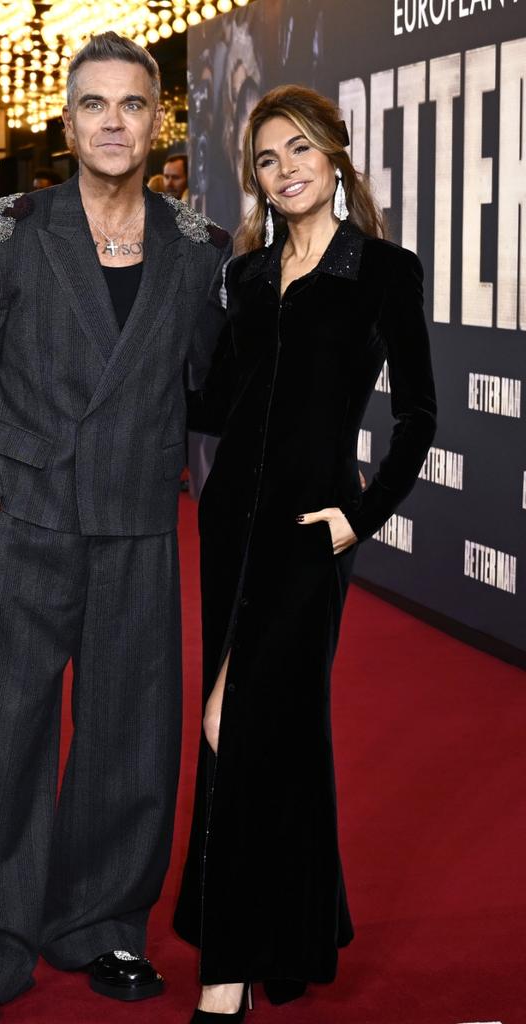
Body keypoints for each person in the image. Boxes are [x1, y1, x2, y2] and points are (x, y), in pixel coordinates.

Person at [0, 31, 229, 1024]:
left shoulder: (196, 246)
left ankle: (103, 923)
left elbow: (213, 385)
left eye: (131, 105)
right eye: (93, 104)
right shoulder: (6, 230)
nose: (111, 122)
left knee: (130, 738)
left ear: (157, 119)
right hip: (34, 515)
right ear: (67, 120)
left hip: (139, 518)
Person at [173, 85, 437, 1021]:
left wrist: (360, 518)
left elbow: (418, 414)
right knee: (270, 737)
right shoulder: (246, 275)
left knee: (232, 722)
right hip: (230, 518)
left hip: (308, 535)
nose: (284, 171)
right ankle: (287, 937)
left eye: (299, 151)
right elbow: (218, 404)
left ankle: (226, 971)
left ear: (335, 156)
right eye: (266, 159)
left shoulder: (384, 272)